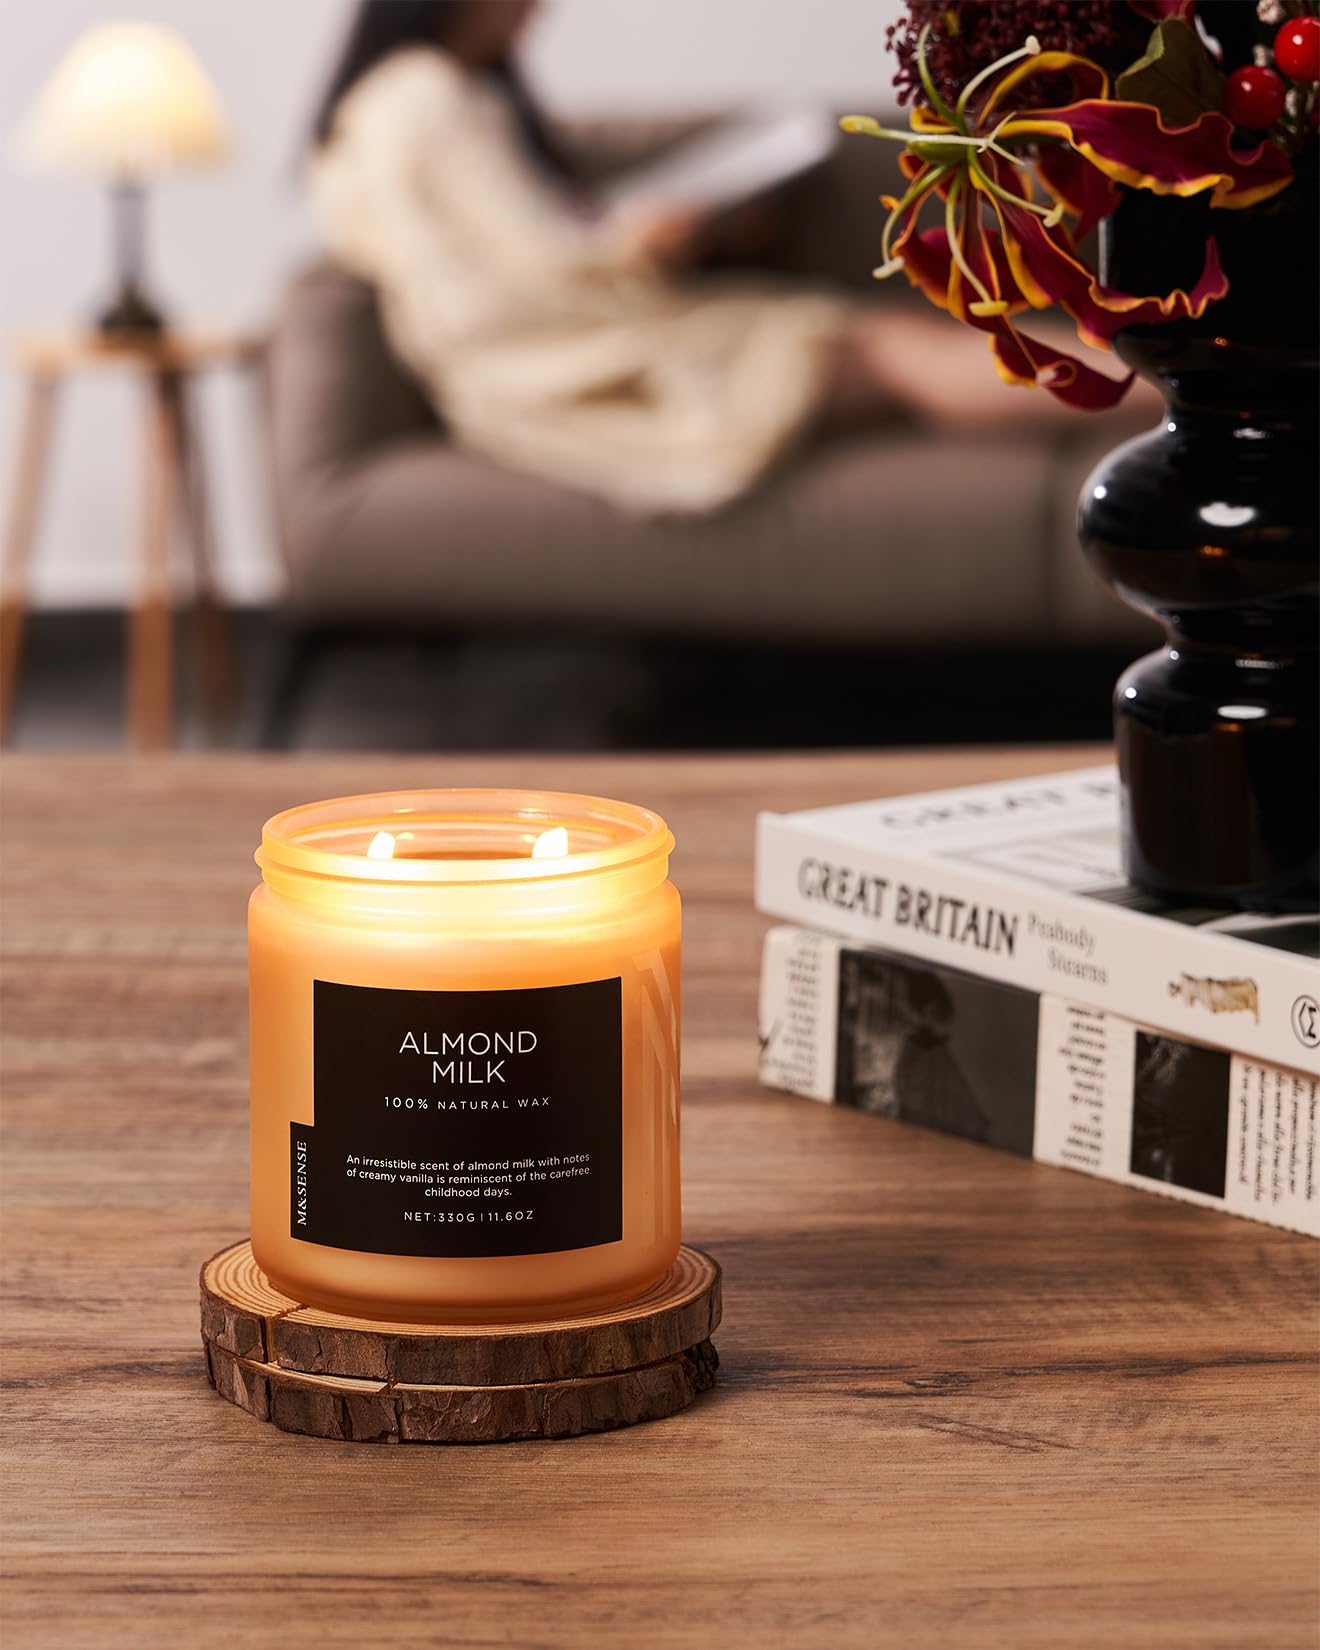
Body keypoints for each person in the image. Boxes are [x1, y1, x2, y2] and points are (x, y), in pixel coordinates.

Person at [306, 0, 1077, 516]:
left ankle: (1164, 379)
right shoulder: (423, 97)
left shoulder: (440, 95)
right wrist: (631, 248)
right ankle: (1175, 384)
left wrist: (657, 238)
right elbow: (519, 274)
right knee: (900, 351)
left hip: (580, 330)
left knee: (900, 341)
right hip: (561, 358)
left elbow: (522, 239)